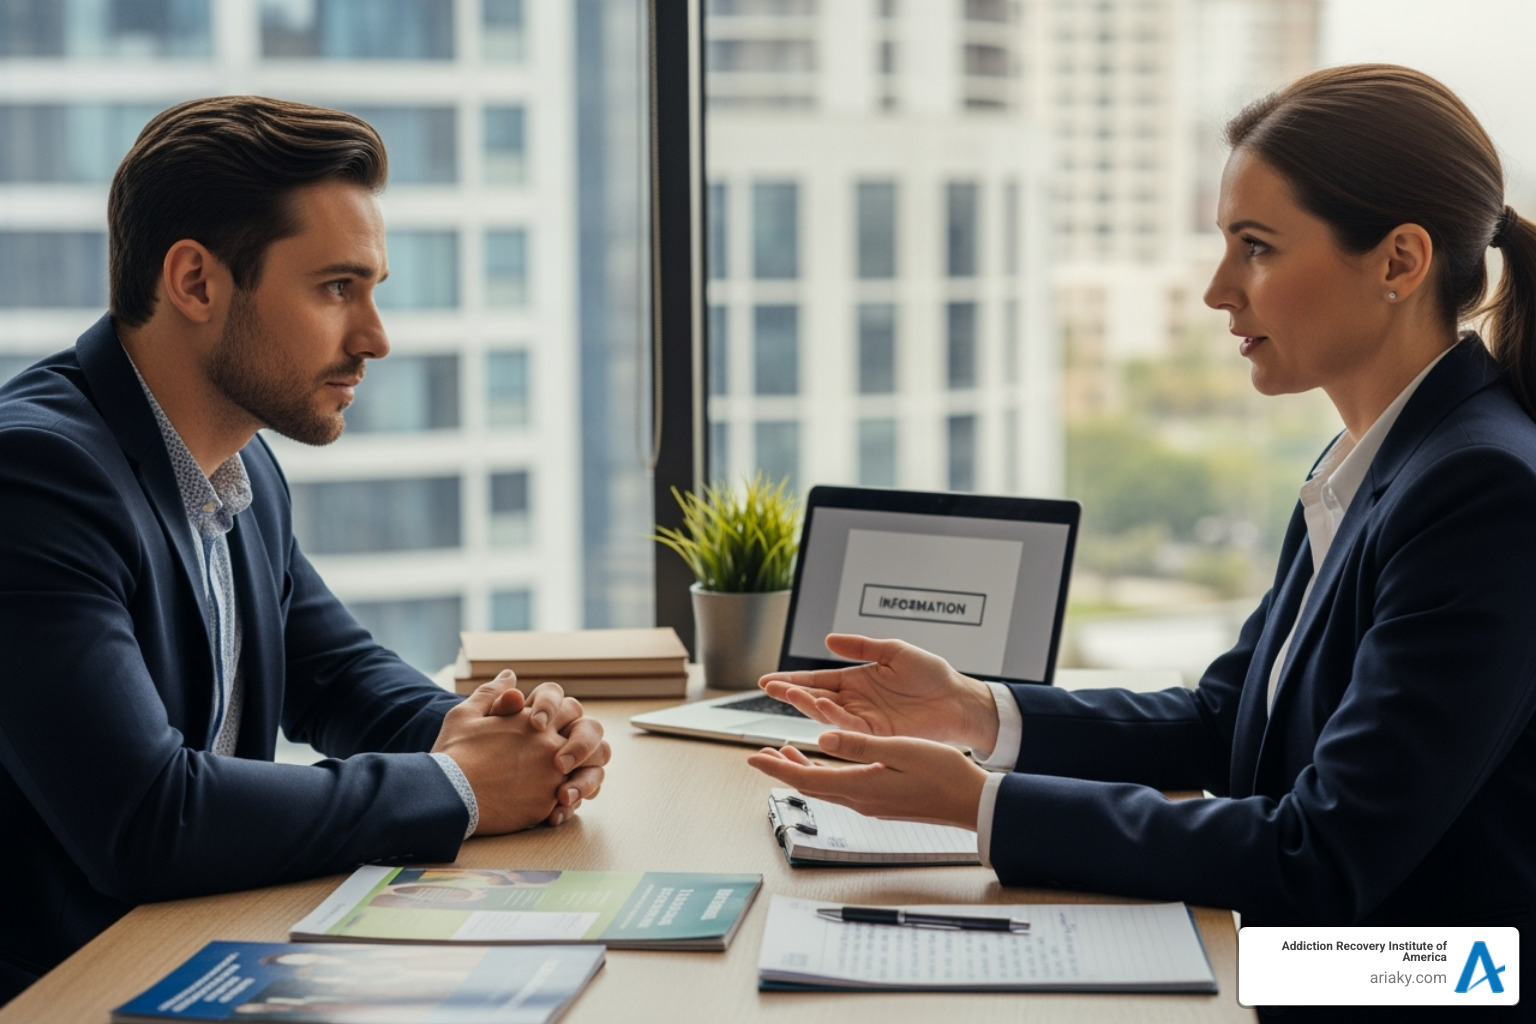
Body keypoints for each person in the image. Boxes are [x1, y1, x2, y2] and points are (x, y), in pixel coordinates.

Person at [749, 64, 1536, 1018]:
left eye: (1255, 248)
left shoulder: (1480, 490)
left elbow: (1319, 854)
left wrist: (976, 803)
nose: (1216, 291)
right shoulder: (1374, 457)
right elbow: (1225, 720)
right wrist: (977, 713)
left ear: (1399, 263)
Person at [0, 96, 611, 1001]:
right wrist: (461, 785)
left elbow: (336, 675)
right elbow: (146, 817)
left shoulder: (238, 462)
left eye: (374, 290)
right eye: (336, 289)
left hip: (192, 951)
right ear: (196, 282)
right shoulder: (35, 476)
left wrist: (515, 737)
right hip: (66, 990)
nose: (375, 339)